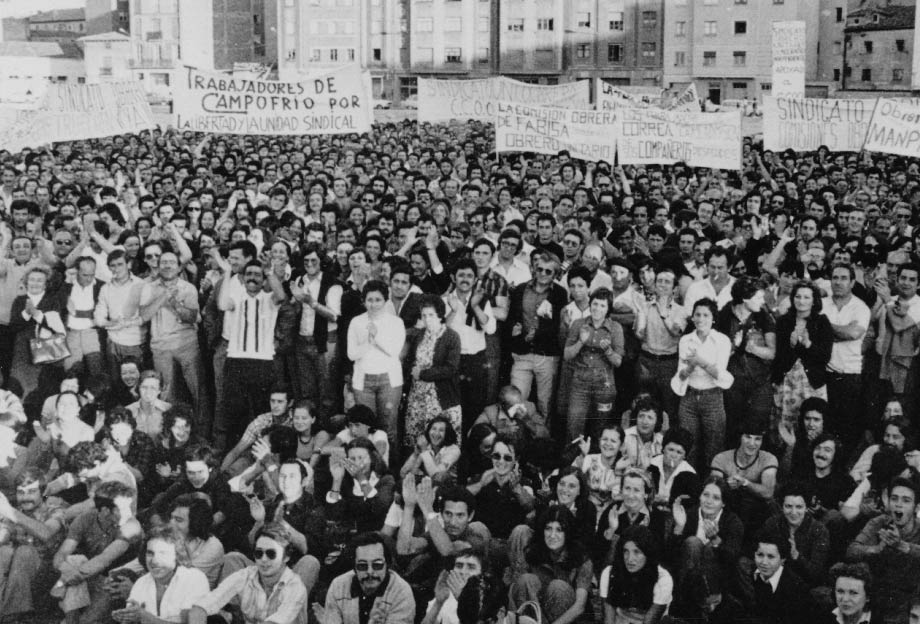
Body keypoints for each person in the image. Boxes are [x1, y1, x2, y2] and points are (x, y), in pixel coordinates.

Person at [53, 480, 142, 624]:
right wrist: (67, 570)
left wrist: (66, 580)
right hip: (90, 578)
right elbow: (61, 555)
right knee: (74, 560)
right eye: (123, 508)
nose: (129, 512)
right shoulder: (86, 518)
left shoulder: (132, 526)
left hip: (118, 580)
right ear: (106, 510)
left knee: (87, 619)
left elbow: (104, 559)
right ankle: (71, 620)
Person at [189, 523, 307, 624]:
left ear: (286, 557)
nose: (264, 560)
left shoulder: (295, 587)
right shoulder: (246, 575)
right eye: (259, 553)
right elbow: (204, 604)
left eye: (271, 554)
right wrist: (200, 612)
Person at [347, 280, 406, 466]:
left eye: (378, 299)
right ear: (364, 301)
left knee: (388, 430)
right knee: (366, 429)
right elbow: (351, 353)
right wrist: (368, 342)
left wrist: (376, 336)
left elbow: (394, 350)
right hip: (363, 382)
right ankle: (367, 471)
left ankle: (390, 472)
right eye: (369, 300)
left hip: (389, 381)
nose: (373, 304)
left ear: (385, 300)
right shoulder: (357, 321)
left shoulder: (395, 322)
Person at [847, 476, 920, 623]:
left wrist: (902, 546)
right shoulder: (878, 522)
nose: (898, 505)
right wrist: (875, 549)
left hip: (911, 596)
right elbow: (852, 550)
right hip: (880, 592)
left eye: (906, 501)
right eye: (894, 499)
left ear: (916, 508)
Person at [669, 476, 743, 620]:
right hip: (687, 578)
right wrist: (679, 527)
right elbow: (670, 554)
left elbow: (732, 560)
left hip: (716, 582)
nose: (708, 501)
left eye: (716, 498)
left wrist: (715, 540)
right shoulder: (689, 514)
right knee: (693, 543)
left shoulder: (733, 521)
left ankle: (705, 607)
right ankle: (688, 604)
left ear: (723, 503)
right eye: (706, 495)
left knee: (709, 548)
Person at [673, 298, 733, 472]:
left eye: (706, 315)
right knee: (688, 447)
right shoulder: (685, 340)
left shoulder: (722, 341)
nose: (700, 319)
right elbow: (681, 375)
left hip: (713, 398)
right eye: (697, 315)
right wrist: (690, 366)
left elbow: (721, 375)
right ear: (692, 317)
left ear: (713, 318)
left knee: (714, 449)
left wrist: (701, 361)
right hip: (689, 399)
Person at [0, 468, 66, 618]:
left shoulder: (55, 510)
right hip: (19, 580)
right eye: (21, 492)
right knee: (4, 552)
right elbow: (4, 534)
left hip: (50, 575)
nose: (25, 497)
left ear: (42, 492)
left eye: (31, 492)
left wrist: (10, 512)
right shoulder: (17, 512)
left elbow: (46, 533)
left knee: (25, 551)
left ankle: (15, 615)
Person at [509, 507, 593, 624]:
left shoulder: (581, 558)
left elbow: (579, 606)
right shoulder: (533, 551)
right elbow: (517, 589)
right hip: (536, 614)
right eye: (548, 528)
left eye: (559, 530)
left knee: (558, 587)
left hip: (566, 618)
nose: (552, 535)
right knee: (526, 580)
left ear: (568, 533)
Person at [112, 525, 210, 624]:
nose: (154, 561)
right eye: (150, 553)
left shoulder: (195, 579)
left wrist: (145, 617)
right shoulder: (141, 584)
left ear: (176, 555)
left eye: (163, 553)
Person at [563, 288, 625, 440]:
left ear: (608, 309)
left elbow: (618, 362)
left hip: (604, 385)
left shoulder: (615, 328)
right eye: (595, 304)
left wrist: (608, 350)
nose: (597, 308)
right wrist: (580, 342)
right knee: (574, 427)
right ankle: (573, 461)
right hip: (580, 383)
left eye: (602, 306)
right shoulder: (578, 324)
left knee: (600, 429)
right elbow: (566, 355)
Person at [317, 531, 416, 624]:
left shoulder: (401, 592)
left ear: (387, 565)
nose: (370, 572)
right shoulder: (338, 586)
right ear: (354, 567)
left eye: (377, 565)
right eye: (362, 566)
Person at [404, 294, 462, 448]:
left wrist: (423, 374)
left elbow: (451, 369)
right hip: (417, 397)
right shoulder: (418, 335)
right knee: (416, 441)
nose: (427, 319)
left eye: (431, 315)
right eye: (423, 315)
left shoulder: (451, 337)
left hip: (440, 398)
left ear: (440, 315)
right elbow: (410, 361)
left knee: (439, 441)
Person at [773, 281, 833, 428]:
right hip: (787, 383)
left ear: (814, 301)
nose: (801, 301)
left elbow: (825, 357)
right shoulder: (783, 322)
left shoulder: (822, 322)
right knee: (785, 425)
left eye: (806, 297)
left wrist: (808, 345)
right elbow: (779, 356)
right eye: (798, 296)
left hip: (812, 382)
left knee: (811, 423)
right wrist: (792, 346)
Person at [600, 524, 672, 624]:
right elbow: (609, 619)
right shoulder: (609, 573)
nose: (630, 559)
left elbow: (650, 621)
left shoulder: (663, 579)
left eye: (637, 552)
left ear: (648, 553)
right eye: (626, 551)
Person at [326, 438, 395, 535]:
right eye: (352, 459)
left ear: (372, 457)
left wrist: (360, 478)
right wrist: (337, 480)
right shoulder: (346, 481)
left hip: (375, 538)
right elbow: (333, 516)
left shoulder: (386, 480)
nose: (357, 463)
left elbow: (379, 509)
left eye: (361, 458)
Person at [400, 415, 462, 485]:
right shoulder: (427, 445)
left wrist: (424, 451)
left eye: (441, 430)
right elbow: (403, 473)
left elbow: (436, 476)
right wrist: (415, 454)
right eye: (434, 429)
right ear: (428, 431)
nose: (436, 433)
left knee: (441, 476)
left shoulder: (454, 450)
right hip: (426, 487)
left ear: (447, 434)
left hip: (447, 489)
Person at [816, 562, 882, 624]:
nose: (845, 599)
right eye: (840, 591)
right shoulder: (823, 620)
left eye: (853, 593)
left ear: (868, 597)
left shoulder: (878, 621)